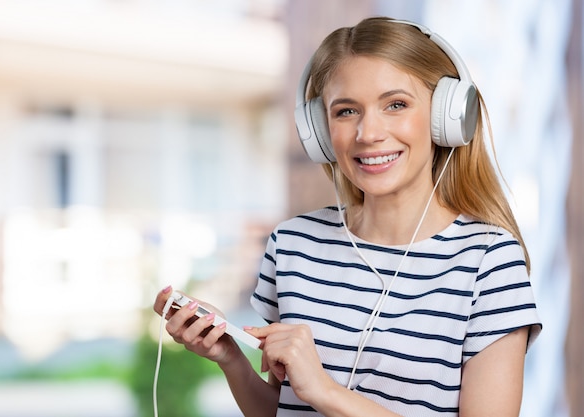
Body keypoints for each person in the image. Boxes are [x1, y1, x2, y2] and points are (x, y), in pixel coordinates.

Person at [154, 16, 542, 417]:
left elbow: (315, 394)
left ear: (447, 116)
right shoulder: (292, 246)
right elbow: (285, 408)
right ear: (320, 131)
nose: (368, 133)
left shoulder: (489, 262)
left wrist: (325, 390)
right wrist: (231, 359)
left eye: (396, 105)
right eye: (345, 111)